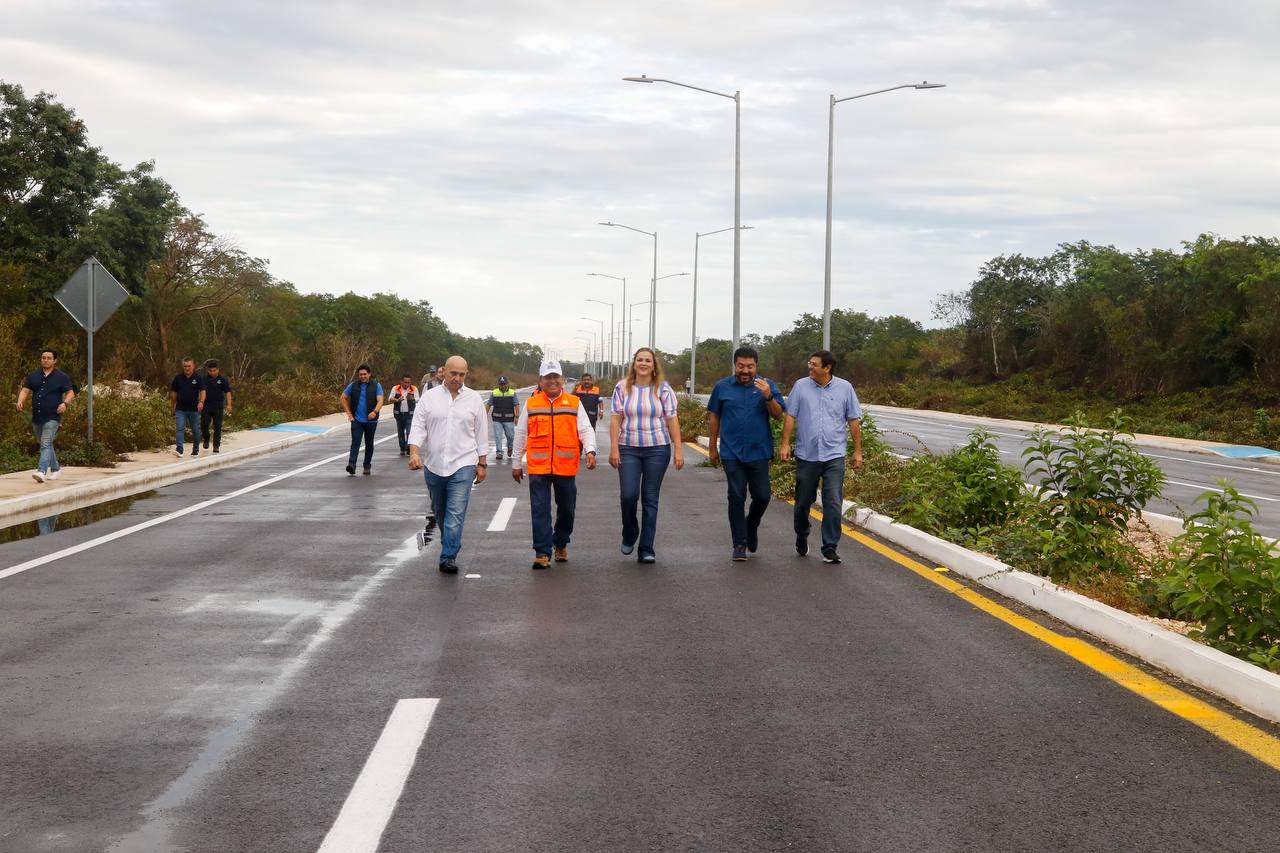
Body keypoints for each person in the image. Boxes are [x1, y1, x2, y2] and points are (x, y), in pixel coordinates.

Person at [511, 359, 597, 569]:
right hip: (538, 468)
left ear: (562, 379)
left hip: (565, 466)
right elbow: (521, 434)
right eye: (547, 378)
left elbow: (585, 429)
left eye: (555, 377)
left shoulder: (574, 403)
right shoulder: (532, 404)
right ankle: (542, 551)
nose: (552, 381)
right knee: (539, 508)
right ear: (540, 381)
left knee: (567, 509)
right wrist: (516, 462)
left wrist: (590, 450)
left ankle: (560, 543)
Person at [779, 349, 863, 564]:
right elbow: (791, 416)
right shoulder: (801, 386)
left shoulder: (845, 388)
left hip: (834, 454)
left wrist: (857, 451)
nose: (810, 367)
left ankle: (829, 547)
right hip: (807, 455)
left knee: (833, 501)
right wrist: (786, 444)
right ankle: (802, 534)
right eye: (809, 363)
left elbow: (853, 420)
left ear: (827, 368)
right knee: (802, 503)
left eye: (814, 364)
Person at [408, 355, 488, 574]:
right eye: (454, 373)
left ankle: (448, 556)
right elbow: (417, 427)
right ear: (444, 371)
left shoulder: (473, 399)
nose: (457, 378)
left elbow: (481, 433)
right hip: (434, 465)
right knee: (440, 510)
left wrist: (482, 464)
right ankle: (450, 540)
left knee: (455, 512)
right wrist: (414, 452)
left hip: (464, 464)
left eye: (462, 375)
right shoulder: (429, 398)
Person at [707, 347, 785, 561]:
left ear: (756, 366)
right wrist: (713, 447)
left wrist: (768, 396)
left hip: (759, 452)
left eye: (750, 366)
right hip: (732, 453)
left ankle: (751, 524)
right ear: (735, 365)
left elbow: (779, 415)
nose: (745, 370)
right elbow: (714, 416)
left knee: (762, 496)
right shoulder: (722, 387)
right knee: (736, 496)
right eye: (741, 366)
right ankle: (739, 544)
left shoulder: (767, 386)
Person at [608, 347, 684, 563]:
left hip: (658, 449)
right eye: (639, 360)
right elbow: (615, 418)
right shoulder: (622, 388)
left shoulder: (664, 389)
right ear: (634, 364)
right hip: (628, 447)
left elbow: (672, 419)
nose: (643, 363)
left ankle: (646, 548)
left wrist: (678, 449)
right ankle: (630, 532)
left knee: (650, 499)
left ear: (653, 365)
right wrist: (614, 447)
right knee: (628, 495)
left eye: (647, 360)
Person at [16, 348, 77, 483]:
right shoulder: (33, 376)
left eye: (49, 358)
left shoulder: (62, 377)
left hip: (53, 416)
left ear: (54, 360)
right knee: (46, 444)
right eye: (43, 357)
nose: (46, 360)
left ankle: (41, 471)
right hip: (37, 416)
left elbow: (71, 393)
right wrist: (20, 400)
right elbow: (25, 391)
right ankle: (56, 469)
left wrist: (65, 404)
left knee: (45, 443)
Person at [341, 364, 383, 476]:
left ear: (369, 374)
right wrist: (349, 414)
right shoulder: (353, 385)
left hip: (371, 421)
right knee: (355, 442)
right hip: (357, 421)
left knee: (369, 443)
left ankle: (367, 465)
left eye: (365, 374)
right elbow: (343, 397)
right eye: (360, 374)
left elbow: (380, 401)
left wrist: (374, 412)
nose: (363, 376)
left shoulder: (376, 385)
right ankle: (352, 465)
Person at [169, 357, 206, 457]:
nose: (187, 368)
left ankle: (196, 449)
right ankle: (179, 449)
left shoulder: (198, 378)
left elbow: (203, 391)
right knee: (180, 428)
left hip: (194, 410)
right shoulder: (178, 378)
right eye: (185, 366)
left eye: (189, 366)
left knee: (195, 430)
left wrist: (201, 402)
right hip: (180, 409)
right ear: (183, 367)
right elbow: (173, 393)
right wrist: (173, 406)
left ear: (193, 366)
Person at [200, 360, 233, 454]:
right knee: (204, 423)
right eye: (211, 371)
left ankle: (216, 446)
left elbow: (228, 392)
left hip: (218, 406)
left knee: (217, 427)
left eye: (214, 370)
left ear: (218, 370)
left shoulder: (222, 380)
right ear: (208, 371)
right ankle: (206, 438)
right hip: (206, 406)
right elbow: (200, 391)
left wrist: (229, 404)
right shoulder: (204, 379)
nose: (213, 372)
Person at [487, 375, 519, 461]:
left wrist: (516, 416)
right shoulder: (494, 393)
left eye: (504, 384)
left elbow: (516, 404)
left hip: (509, 419)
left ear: (507, 384)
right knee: (498, 435)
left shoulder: (512, 393)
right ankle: (499, 452)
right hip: (497, 419)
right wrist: (483, 415)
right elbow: (489, 404)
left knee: (511, 436)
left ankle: (510, 448)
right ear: (499, 384)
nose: (503, 386)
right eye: (501, 384)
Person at [389, 374, 418, 456]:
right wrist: (397, 400)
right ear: (401, 381)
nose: (407, 384)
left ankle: (409, 448)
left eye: (408, 382)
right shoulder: (396, 388)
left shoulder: (414, 389)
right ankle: (402, 448)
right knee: (400, 432)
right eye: (405, 382)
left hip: (409, 414)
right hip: (399, 414)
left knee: (409, 432)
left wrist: (412, 399)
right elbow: (390, 398)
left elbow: (418, 399)